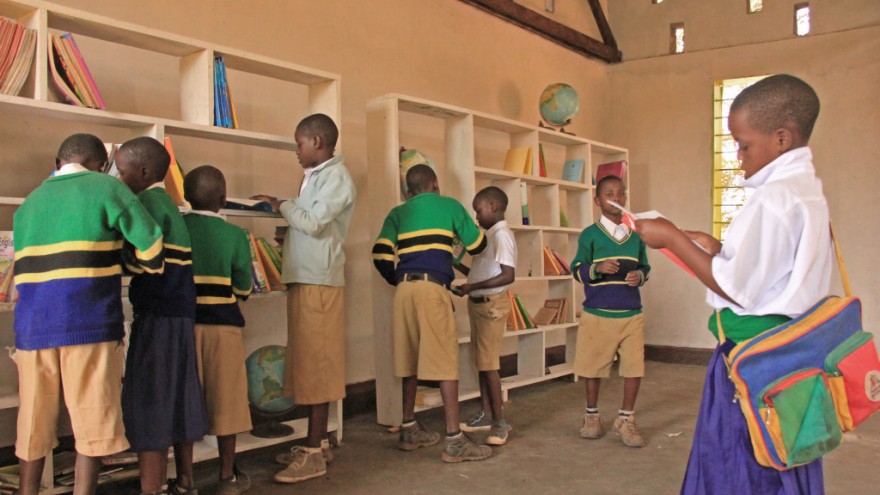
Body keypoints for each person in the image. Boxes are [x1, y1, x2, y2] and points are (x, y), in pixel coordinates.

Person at [634, 74, 830, 493]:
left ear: (781, 139)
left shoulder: (775, 199)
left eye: (743, 144)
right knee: (783, 455)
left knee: (744, 463)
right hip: (790, 356)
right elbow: (776, 273)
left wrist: (669, 237)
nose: (737, 155)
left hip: (755, 364)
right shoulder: (804, 188)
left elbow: (737, 289)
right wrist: (715, 248)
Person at [12, 133, 164, 495]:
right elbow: (152, 245)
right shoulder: (105, 188)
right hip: (89, 323)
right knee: (92, 425)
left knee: (33, 422)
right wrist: (134, 264)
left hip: (32, 328)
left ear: (57, 163)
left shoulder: (29, 203)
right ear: (102, 165)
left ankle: (27, 491)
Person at [252, 113, 355, 484]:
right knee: (307, 362)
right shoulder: (317, 176)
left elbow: (313, 223)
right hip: (305, 277)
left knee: (318, 365)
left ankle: (314, 455)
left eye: (299, 144)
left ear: (317, 142)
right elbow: (310, 225)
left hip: (320, 282)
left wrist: (281, 203)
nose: (296, 151)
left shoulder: (337, 177)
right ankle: (318, 444)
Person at [372, 164, 492, 463]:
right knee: (444, 363)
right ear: (435, 184)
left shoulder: (397, 213)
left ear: (409, 191)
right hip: (432, 289)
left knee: (409, 360)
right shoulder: (449, 205)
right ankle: (455, 440)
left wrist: (399, 279)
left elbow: (380, 253)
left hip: (403, 291)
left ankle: (409, 427)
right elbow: (478, 245)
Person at [115, 137, 208, 495]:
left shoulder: (145, 204)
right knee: (180, 396)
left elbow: (141, 259)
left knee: (149, 399)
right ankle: (185, 481)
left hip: (157, 315)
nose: (118, 180)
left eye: (121, 173)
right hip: (180, 314)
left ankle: (150, 488)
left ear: (144, 172)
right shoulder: (167, 203)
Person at [182, 165, 254, 495]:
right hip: (223, 326)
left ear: (184, 197)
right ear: (223, 199)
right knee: (227, 403)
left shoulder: (178, 228)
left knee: (184, 401)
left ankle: (185, 480)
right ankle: (227, 476)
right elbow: (243, 287)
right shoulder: (235, 235)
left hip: (182, 326)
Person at [570, 175, 650, 448]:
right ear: (597, 200)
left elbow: (645, 268)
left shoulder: (637, 236)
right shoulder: (590, 235)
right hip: (597, 314)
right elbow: (577, 271)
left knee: (633, 367)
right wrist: (597, 269)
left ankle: (626, 418)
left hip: (631, 314)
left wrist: (639, 276)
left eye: (621, 194)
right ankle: (592, 415)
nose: (616, 199)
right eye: (609, 194)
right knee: (592, 367)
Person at [453, 186, 516, 446]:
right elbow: (481, 271)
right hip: (478, 304)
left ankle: (500, 423)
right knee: (481, 362)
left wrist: (471, 287)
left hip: (491, 305)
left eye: (478, 210)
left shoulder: (502, 235)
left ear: (492, 206)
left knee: (489, 364)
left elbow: (507, 275)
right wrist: (457, 265)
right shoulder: (488, 235)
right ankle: (488, 414)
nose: (476, 216)